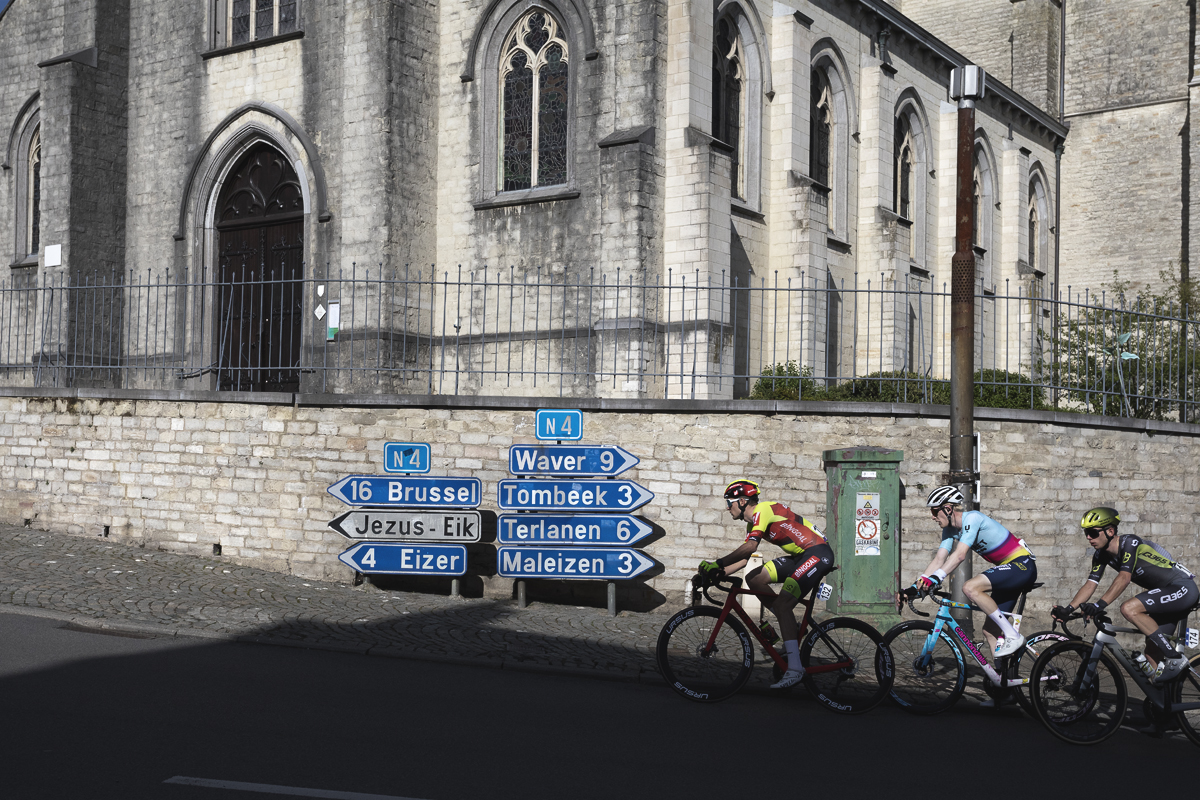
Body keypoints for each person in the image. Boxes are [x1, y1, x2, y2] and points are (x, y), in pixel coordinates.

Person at [698, 479, 834, 690]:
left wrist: (717, 563)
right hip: (800, 557)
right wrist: (718, 574)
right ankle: (787, 621)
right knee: (754, 578)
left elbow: (749, 547)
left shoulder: (762, 510)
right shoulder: (752, 522)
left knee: (782, 605)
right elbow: (745, 559)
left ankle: (795, 669)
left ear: (743, 501)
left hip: (818, 553)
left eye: (729, 503)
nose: (727, 508)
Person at [1051, 507, 1197, 684]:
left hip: (1181, 588)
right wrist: (1068, 609)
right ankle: (1164, 705)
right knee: (1152, 654)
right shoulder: (1100, 555)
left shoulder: (1130, 543)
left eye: (1092, 533)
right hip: (1163, 596)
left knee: (1128, 608)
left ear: (1110, 531)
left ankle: (1174, 657)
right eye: (1086, 533)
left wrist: (1099, 605)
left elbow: (1124, 577)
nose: (1088, 537)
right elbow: (1090, 584)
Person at [902, 485, 1037, 659]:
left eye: (935, 511)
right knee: (990, 630)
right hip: (1009, 572)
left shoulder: (972, 518)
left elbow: (959, 555)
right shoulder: (949, 531)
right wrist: (914, 587)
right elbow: (939, 560)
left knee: (970, 587)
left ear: (948, 509)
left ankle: (1013, 635)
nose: (933, 517)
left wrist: (935, 578)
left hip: (1022, 565)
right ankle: (1001, 679)